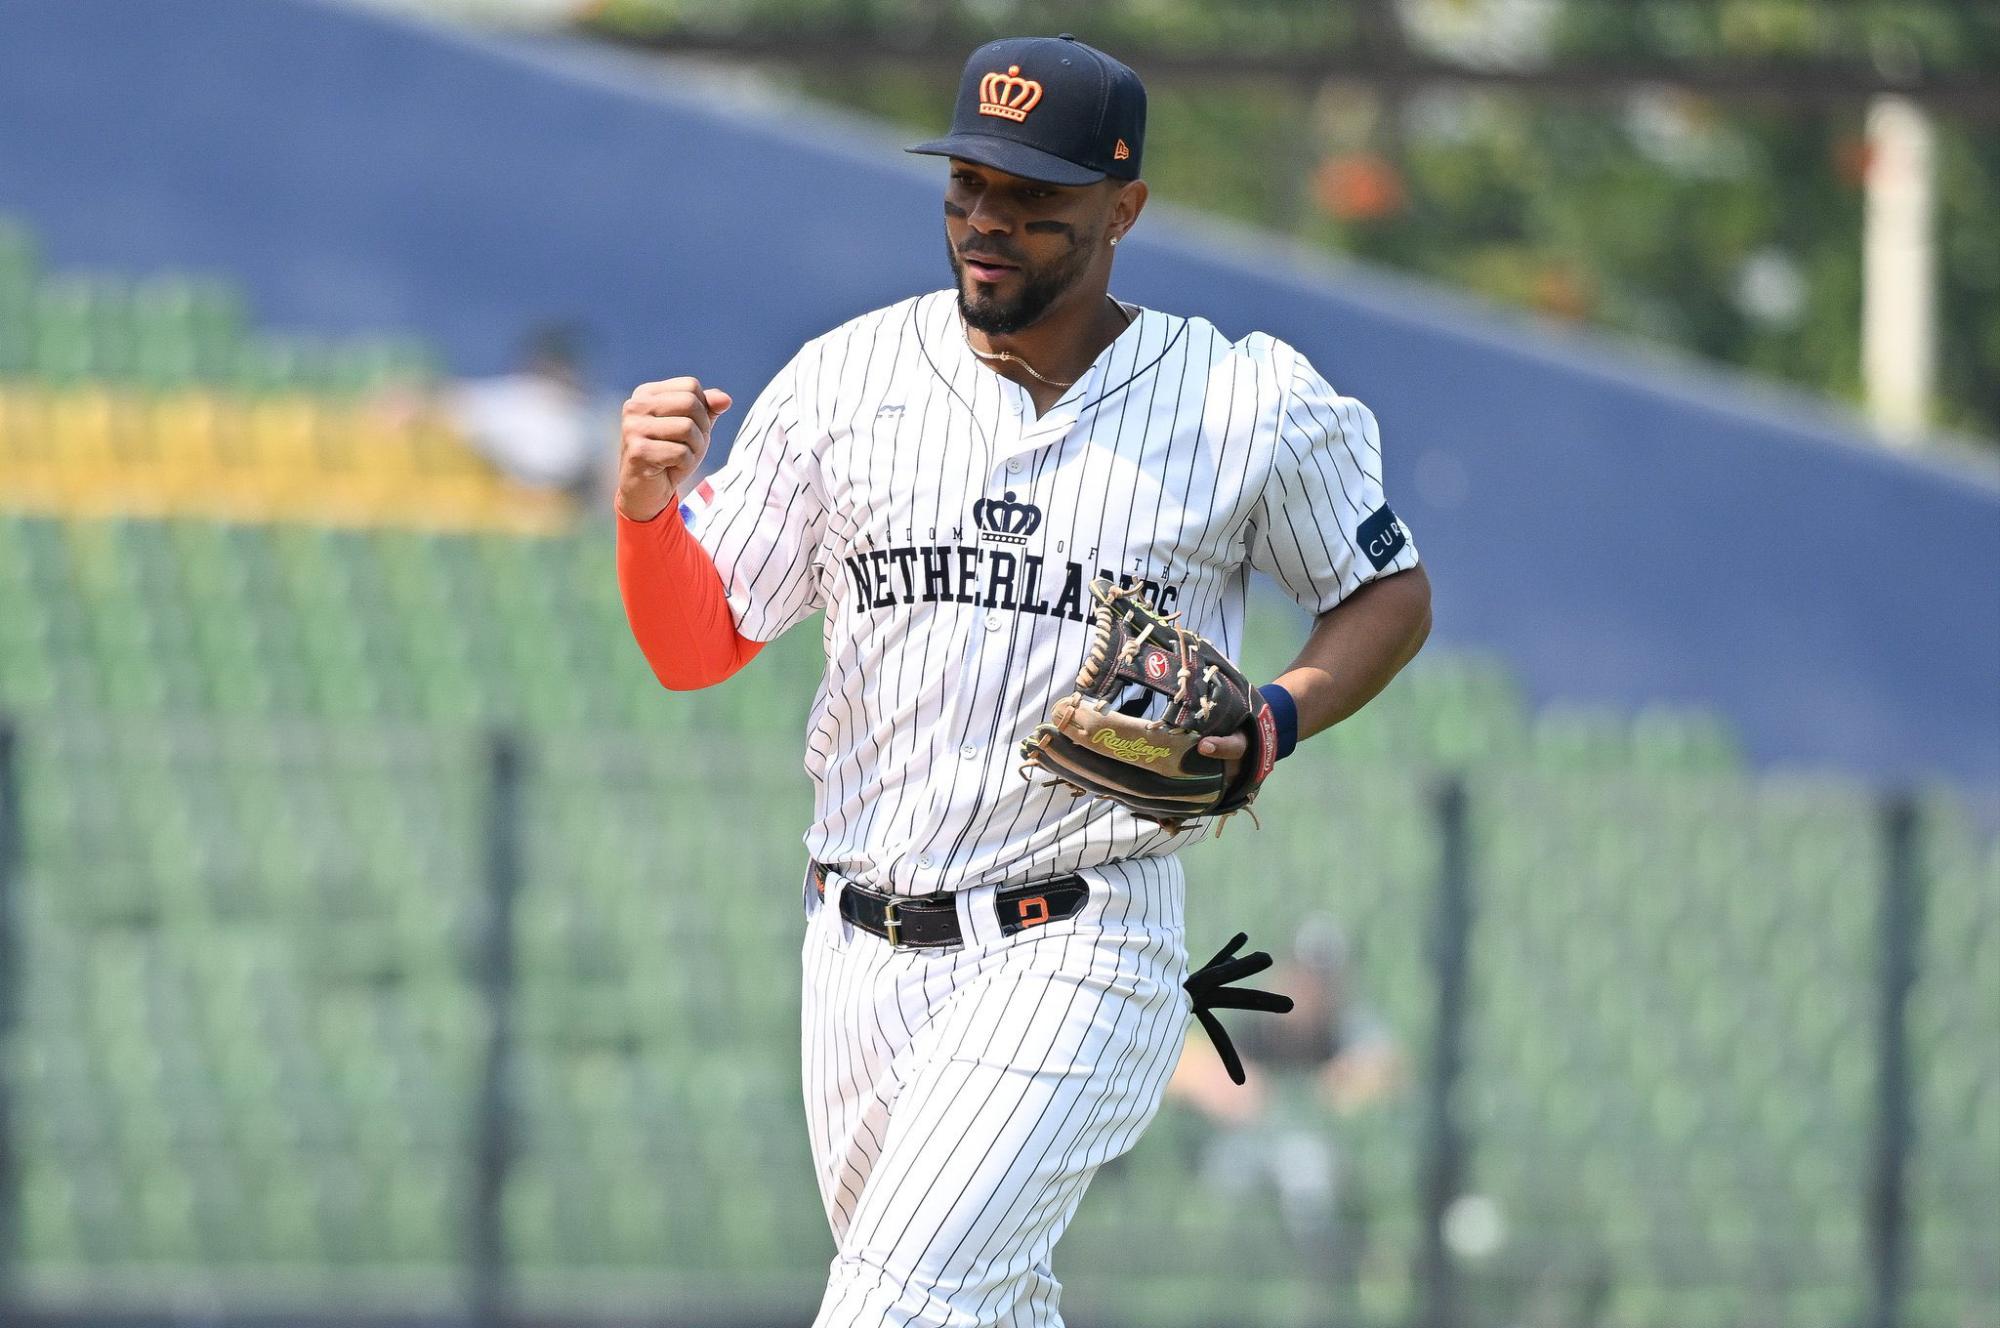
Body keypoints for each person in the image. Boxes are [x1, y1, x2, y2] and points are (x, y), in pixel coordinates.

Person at [613, 34, 1432, 1327]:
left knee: (893, 1304)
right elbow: (693, 646)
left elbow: (1386, 589)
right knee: (968, 1306)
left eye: (1032, 197)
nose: (987, 220)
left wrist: (1277, 716)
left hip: (1078, 936)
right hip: (856, 946)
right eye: (967, 186)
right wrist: (648, 516)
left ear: (1123, 209)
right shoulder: (844, 381)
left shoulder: (1238, 400)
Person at [1166, 915, 1403, 1293]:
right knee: (1228, 1178)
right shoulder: (1256, 1014)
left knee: (1304, 1170)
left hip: (1319, 1158)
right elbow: (1185, 1065)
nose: (1312, 987)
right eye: (1305, 973)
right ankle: (1217, 1282)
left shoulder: (1346, 1025)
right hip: (1244, 1148)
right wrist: (1229, 1086)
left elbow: (1389, 1066)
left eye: (1322, 978)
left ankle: (1317, 1288)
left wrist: (1348, 1083)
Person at [444, 323, 606, 500]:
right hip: (501, 497)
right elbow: (446, 403)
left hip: (566, 500)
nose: (564, 373)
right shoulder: (511, 398)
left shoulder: (592, 414)